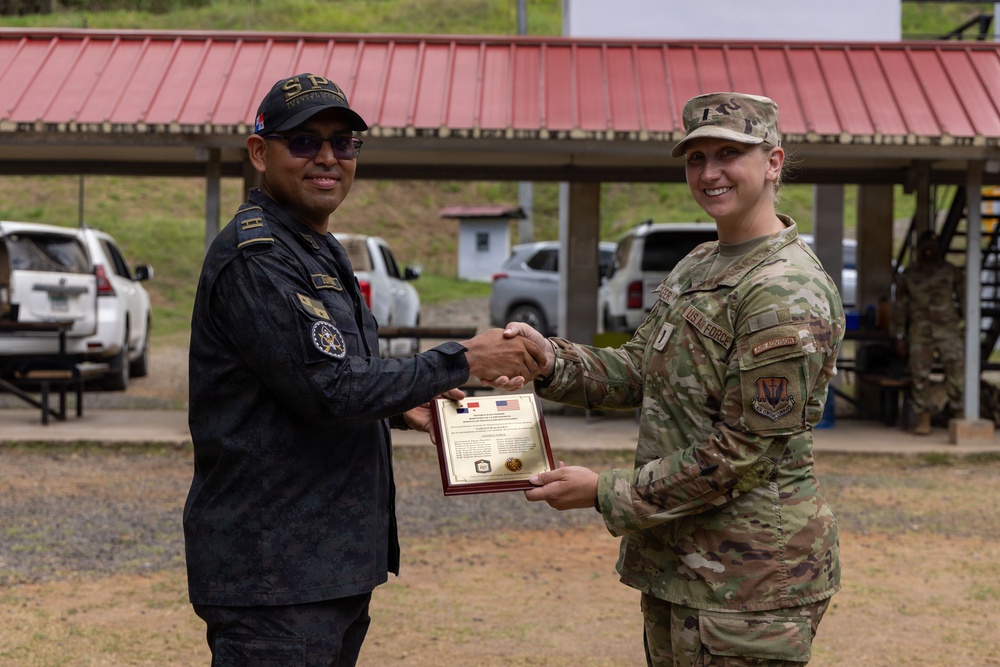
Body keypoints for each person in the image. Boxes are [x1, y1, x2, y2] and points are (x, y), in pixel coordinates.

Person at [183, 72, 545, 667]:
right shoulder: (260, 258)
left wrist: (403, 406)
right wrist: (463, 358)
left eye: (344, 143)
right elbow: (328, 390)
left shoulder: (316, 246)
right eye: (303, 142)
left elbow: (334, 373)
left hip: (327, 564)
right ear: (258, 152)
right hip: (275, 573)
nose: (327, 157)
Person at [503, 92, 844, 666]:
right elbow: (642, 368)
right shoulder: (701, 263)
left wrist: (605, 491)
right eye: (695, 157)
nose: (709, 173)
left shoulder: (784, 290)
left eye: (729, 153)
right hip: (681, 566)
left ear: (773, 161)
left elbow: (744, 451)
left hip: (748, 584)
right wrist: (550, 362)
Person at [890, 229, 965, 434]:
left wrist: (967, 327)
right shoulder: (909, 274)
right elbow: (899, 307)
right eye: (925, 247)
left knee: (957, 373)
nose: (929, 251)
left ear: (938, 248)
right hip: (920, 332)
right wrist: (898, 335)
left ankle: (959, 415)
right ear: (919, 248)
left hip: (948, 331)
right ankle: (924, 418)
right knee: (919, 375)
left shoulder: (951, 271)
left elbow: (965, 299)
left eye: (932, 247)